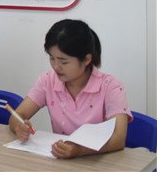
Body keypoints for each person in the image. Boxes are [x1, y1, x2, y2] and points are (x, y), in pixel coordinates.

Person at [9, 19, 132, 159]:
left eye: (64, 61)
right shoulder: (48, 80)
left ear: (86, 59)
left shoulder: (111, 87)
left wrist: (79, 150)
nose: (56, 66)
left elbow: (119, 139)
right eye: (52, 58)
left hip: (98, 162)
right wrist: (19, 127)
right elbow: (18, 114)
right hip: (61, 161)